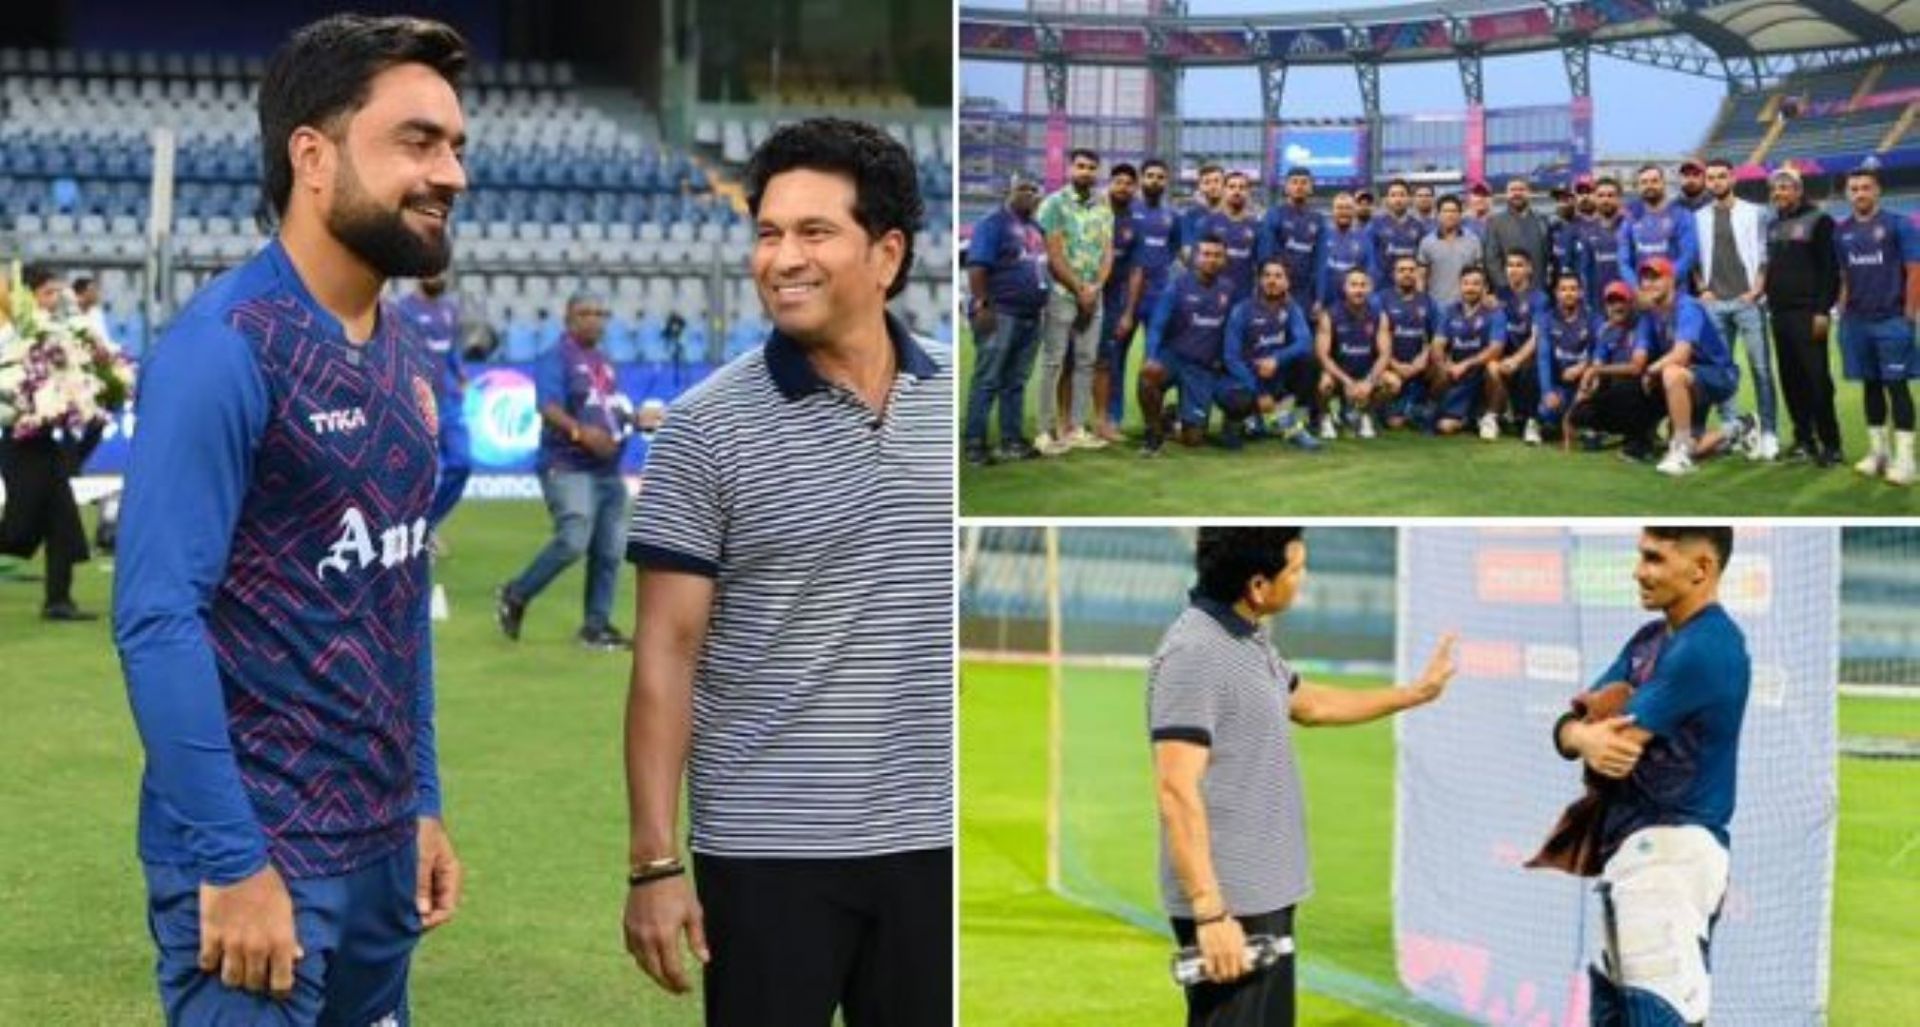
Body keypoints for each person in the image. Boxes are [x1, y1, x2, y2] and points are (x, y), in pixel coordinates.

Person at [112, 15, 467, 1023]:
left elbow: (395, 602)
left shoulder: (402, 354)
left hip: (378, 862)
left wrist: (423, 799)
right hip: (255, 867)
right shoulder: (226, 349)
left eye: (454, 145)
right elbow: (155, 619)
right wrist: (232, 860)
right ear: (312, 155)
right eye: (416, 141)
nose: (450, 173)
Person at [620, 117, 951, 1027]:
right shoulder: (703, 427)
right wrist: (654, 862)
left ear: (886, 255)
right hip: (767, 855)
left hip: (935, 848)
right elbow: (665, 653)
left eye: (813, 232)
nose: (780, 258)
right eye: (767, 233)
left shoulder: (952, 409)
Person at [1150, 527, 1455, 1027]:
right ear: (1257, 585)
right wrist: (1209, 912)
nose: (1303, 578)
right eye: (1295, 569)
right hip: (1231, 905)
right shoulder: (1196, 653)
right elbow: (1175, 788)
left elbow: (1309, 703)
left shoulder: (1247, 637)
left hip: (1262, 895)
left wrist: (1414, 694)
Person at [1547, 527, 1749, 1027]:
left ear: (1701, 568)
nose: (1639, 572)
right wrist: (1582, 737)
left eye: (1654, 559)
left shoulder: (1707, 647)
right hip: (1630, 854)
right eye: (1641, 557)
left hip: (1671, 856)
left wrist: (1588, 737)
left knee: (1659, 1016)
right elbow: (1569, 731)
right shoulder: (1649, 640)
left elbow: (1612, 739)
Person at [496, 291, 636, 650]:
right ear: (568, 318)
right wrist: (579, 432)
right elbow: (546, 406)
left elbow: (610, 411)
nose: (593, 319)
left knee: (610, 549)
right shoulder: (555, 357)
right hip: (568, 463)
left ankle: (595, 626)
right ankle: (517, 592)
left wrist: (636, 419)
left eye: (599, 313)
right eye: (585, 313)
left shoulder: (605, 362)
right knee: (574, 538)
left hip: (607, 468)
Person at [1834, 166, 1920, 485]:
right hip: (1856, 322)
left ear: (1877, 190)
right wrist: (1842, 314)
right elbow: (1844, 277)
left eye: (1865, 187)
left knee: (1897, 387)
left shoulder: (1900, 225)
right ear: (1847, 194)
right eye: (1854, 188)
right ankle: (1878, 453)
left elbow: (1915, 271)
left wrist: (1909, 315)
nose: (1860, 193)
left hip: (1892, 320)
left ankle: (1907, 460)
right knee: (1870, 386)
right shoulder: (1841, 231)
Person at [1694, 157, 1778, 460]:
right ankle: (1733, 429)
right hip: (1715, 303)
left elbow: (1765, 255)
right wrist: (1703, 289)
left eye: (1721, 176)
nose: (1715, 181)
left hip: (1748, 302)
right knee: (1720, 372)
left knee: (1761, 369)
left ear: (1733, 178)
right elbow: (1694, 258)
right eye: (1711, 177)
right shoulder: (1699, 216)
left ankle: (1769, 433)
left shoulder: (1755, 212)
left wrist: (1756, 289)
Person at [964, 172, 1048, 465]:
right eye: (1023, 188)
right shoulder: (993, 223)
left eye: (1034, 189)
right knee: (988, 379)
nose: (1029, 194)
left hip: (1030, 315)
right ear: (1009, 191)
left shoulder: (1037, 228)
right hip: (1000, 312)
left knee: (1016, 381)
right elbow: (977, 267)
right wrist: (981, 304)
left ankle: (1011, 439)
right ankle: (975, 442)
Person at [1761, 165, 1843, 465]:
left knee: (1818, 380)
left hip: (1810, 314)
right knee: (1791, 380)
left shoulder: (1820, 220)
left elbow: (1830, 270)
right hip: (1780, 314)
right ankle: (1803, 440)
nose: (1779, 193)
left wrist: (1823, 310)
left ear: (1798, 189)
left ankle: (1831, 445)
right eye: (1775, 189)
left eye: (1785, 187)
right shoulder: (1773, 225)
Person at [1034, 147, 1113, 455]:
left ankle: (1076, 428)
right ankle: (1044, 431)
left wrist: (1095, 287)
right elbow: (1053, 254)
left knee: (1085, 361)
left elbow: (1108, 251)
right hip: (1062, 293)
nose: (1086, 172)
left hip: (1094, 294)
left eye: (1091, 167)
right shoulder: (1053, 204)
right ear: (1070, 169)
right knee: (1053, 361)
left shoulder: (1103, 205)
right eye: (1080, 166)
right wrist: (1080, 288)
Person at [1635, 257, 1744, 476]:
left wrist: (1650, 370)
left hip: (1720, 375)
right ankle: (1738, 428)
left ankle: (1680, 449)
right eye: (1645, 278)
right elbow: (1638, 356)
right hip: (1692, 380)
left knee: (1671, 372)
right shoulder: (1649, 314)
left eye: (1656, 277)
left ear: (1671, 280)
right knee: (1696, 446)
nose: (1648, 283)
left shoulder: (1688, 306)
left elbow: (1681, 355)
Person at [1139, 234, 1245, 453]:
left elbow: (1235, 331)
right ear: (1196, 256)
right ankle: (1153, 431)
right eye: (1206, 254)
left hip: (1201, 368)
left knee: (1194, 439)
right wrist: (1151, 357)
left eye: (1217, 255)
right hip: (1173, 358)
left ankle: (1172, 417)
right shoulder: (1177, 286)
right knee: (1148, 378)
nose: (1211, 260)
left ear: (1224, 260)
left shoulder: (1229, 290)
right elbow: (1157, 326)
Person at [394, 273, 471, 530]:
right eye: (432, 271)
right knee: (416, 471)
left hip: (449, 400)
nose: (437, 276)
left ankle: (427, 525)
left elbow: (451, 350)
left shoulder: (450, 310)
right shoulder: (402, 310)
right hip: (415, 401)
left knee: (462, 463)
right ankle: (407, 531)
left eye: (441, 271)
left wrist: (460, 374)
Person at [1110, 157, 1181, 435]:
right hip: (1125, 297)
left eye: (1160, 176)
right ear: (1141, 180)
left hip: (1158, 297)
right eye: (1150, 175)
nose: (1154, 180)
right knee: (1115, 357)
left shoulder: (1172, 216)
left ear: (1166, 181)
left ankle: (1152, 420)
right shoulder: (1126, 211)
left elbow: (1173, 249)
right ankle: (1113, 417)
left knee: (1155, 359)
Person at [1222, 259, 1321, 450]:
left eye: (1278, 276)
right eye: (1267, 275)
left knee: (1310, 362)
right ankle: (1249, 418)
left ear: (1287, 282)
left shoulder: (1292, 309)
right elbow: (1231, 358)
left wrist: (1276, 359)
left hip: (1276, 377)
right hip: (1248, 378)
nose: (1272, 281)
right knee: (1240, 417)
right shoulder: (1241, 310)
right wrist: (1259, 392)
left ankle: (1294, 425)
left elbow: (1305, 341)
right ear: (1259, 280)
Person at [1572, 281, 1662, 460]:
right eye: (1611, 302)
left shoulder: (1642, 324)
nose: (1616, 306)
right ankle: (1617, 433)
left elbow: (1637, 367)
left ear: (1631, 304)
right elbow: (1597, 364)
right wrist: (1586, 388)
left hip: (1647, 391)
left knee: (1628, 388)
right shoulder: (1605, 331)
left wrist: (1597, 371)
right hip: (1617, 392)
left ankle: (1642, 440)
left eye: (1621, 301)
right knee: (1580, 413)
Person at [1314, 267, 1392, 440]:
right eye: (1354, 285)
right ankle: (1326, 418)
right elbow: (1322, 355)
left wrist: (1369, 382)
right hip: (1339, 373)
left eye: (1363, 285)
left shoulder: (1379, 316)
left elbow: (1385, 354)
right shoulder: (1329, 314)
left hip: (1366, 373)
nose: (1358, 289)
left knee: (1392, 382)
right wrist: (1347, 382)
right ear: (1344, 288)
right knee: (1324, 383)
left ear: (1370, 288)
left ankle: (1366, 415)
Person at [1093, 162, 1140, 440]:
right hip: (1084, 292)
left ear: (1133, 188)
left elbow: (1135, 270)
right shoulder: (1093, 214)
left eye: (1127, 183)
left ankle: (1105, 421)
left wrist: (1127, 312)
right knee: (1071, 360)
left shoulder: (1134, 222)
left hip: (1112, 299)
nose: (1123, 187)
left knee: (1106, 361)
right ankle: (1065, 423)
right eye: (1118, 181)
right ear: (1110, 184)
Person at [1431, 265, 1507, 437]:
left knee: (1493, 368)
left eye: (1475, 284)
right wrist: (1445, 364)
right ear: (1460, 286)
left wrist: (1465, 364)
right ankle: (1465, 418)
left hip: (1481, 376)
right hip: (1458, 376)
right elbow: (1437, 344)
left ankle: (1491, 416)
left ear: (1485, 288)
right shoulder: (1449, 310)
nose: (1470, 288)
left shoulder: (1495, 312)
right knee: (1444, 427)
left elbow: (1496, 348)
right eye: (1466, 283)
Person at [1488, 251, 1550, 444]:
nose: (1513, 269)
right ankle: (1493, 417)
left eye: (1519, 265)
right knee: (1491, 367)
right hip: (1505, 355)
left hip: (1529, 356)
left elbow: (1537, 337)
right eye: (1510, 265)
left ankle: (1532, 421)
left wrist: (1516, 359)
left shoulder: (1539, 298)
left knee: (1531, 366)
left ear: (1529, 269)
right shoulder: (1499, 294)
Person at [1377, 254, 1441, 430]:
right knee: (1395, 424)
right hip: (1389, 366)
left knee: (1441, 365)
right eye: (1402, 270)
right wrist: (1393, 363)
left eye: (1411, 270)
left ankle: (1428, 407)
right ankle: (1377, 410)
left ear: (1417, 274)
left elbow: (1437, 336)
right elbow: (1374, 337)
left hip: (1419, 368)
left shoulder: (1428, 302)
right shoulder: (1380, 299)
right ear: (1393, 274)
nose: (1407, 274)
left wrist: (1423, 358)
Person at [1535, 271, 1598, 441]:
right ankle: (1559, 424)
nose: (1568, 293)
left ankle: (1583, 425)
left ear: (1581, 292)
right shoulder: (1547, 320)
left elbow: (1600, 353)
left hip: (1586, 385)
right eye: (1563, 289)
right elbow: (1543, 358)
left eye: (1573, 289)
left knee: (1589, 410)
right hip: (1560, 386)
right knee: (1546, 410)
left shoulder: (1592, 319)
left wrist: (1583, 366)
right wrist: (1547, 391)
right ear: (1556, 293)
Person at [1620, 166, 1699, 297]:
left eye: (1654, 181)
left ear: (1663, 183)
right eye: (1644, 182)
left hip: (1675, 295)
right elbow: (1624, 261)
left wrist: (1663, 282)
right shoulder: (1630, 219)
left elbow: (1689, 255)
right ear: (1638, 187)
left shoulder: (1682, 215)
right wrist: (1636, 287)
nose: (1649, 185)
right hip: (1644, 296)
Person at [1257, 167, 1325, 315]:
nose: (1299, 186)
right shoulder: (1274, 214)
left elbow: (1320, 260)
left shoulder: (1318, 220)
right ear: (1286, 187)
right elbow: (1265, 256)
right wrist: (1274, 285)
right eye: (1294, 182)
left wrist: (1319, 297)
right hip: (1277, 289)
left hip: (1305, 292)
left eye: (1304, 182)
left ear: (1311, 188)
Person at [1484, 176, 1549, 296]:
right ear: (1506, 194)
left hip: (1538, 291)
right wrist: (1505, 286)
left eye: (1521, 189)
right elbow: (1492, 259)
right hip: (1509, 293)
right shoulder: (1495, 222)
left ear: (1529, 193)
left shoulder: (1542, 220)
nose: (1517, 193)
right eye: (1513, 190)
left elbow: (1547, 256)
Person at [1204, 171, 1261, 305]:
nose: (1237, 191)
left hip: (1244, 297)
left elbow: (1261, 265)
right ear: (1223, 190)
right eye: (1232, 186)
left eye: (1242, 187)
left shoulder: (1257, 227)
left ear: (1248, 192)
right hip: (1213, 295)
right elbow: (1197, 264)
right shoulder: (1208, 223)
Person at [1416, 194, 1483, 309]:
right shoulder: (1427, 242)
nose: (1450, 215)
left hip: (1466, 304)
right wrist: (1420, 302)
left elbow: (1480, 273)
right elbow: (1421, 277)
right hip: (1436, 304)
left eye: (1454, 211)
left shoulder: (1473, 240)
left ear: (1460, 214)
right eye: (1445, 211)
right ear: (1438, 214)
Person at [1576, 177, 1629, 311]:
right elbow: (1585, 272)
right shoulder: (1586, 232)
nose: (1605, 200)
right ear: (1594, 198)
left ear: (1619, 199)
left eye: (1611, 195)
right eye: (1601, 195)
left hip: (1629, 304)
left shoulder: (1631, 228)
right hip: (1599, 306)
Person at [1315, 192, 1370, 313]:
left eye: (1348, 208)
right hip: (1325, 303)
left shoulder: (1365, 238)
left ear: (1354, 210)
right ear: (1332, 210)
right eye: (1339, 207)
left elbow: (1369, 271)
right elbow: (1316, 270)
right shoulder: (1321, 235)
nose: (1343, 211)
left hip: (1354, 305)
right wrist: (1318, 299)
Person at [1368, 179, 1424, 296]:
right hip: (1382, 287)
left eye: (1402, 195)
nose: (1398, 199)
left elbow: (1421, 261)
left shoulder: (1418, 226)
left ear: (1409, 199)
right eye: (1393, 195)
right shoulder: (1375, 225)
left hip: (1410, 288)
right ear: (1387, 199)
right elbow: (1369, 258)